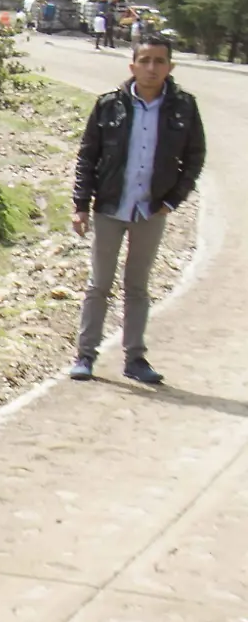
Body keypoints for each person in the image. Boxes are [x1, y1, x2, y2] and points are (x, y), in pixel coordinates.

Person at [68, 35, 205, 385]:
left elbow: (194, 157)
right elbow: (88, 156)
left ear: (170, 67)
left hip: (151, 210)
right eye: (144, 60)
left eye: (159, 61)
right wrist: (81, 205)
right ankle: (86, 355)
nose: (151, 68)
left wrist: (173, 200)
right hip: (110, 207)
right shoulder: (109, 105)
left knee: (138, 286)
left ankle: (135, 358)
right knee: (99, 284)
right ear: (132, 66)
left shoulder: (183, 108)